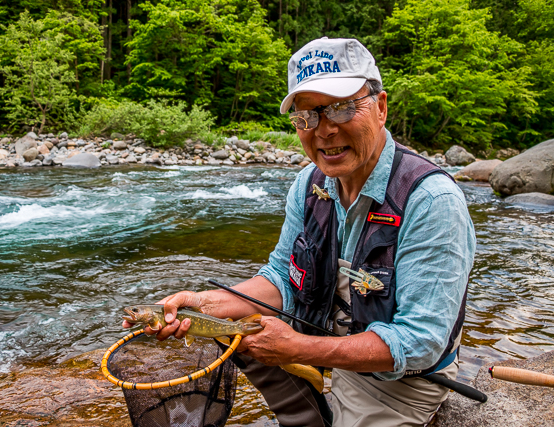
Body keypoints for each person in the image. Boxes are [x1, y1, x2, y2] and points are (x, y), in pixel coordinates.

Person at [123, 37, 475, 427]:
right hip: (325, 334)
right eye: (306, 117)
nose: (323, 131)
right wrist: (200, 303)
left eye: (340, 109)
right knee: (228, 330)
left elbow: (420, 342)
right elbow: (281, 279)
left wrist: (299, 347)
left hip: (398, 379)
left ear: (380, 107)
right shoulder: (309, 183)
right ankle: (308, 409)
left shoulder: (431, 200)